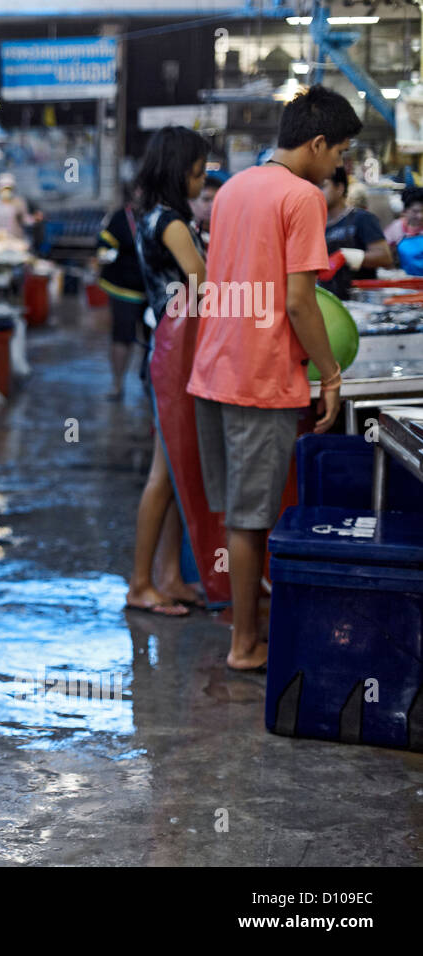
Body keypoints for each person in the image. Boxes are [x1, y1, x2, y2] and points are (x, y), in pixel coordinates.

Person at [188, 85, 356, 670]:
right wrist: (330, 374)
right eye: (338, 152)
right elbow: (300, 301)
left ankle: (246, 626)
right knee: (250, 518)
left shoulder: (234, 187)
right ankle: (243, 646)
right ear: (315, 143)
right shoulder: (302, 196)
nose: (339, 164)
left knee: (240, 512)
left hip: (214, 367)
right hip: (260, 378)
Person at [125, 126, 211, 619]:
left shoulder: (151, 216)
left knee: (177, 465)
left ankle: (170, 576)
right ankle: (141, 584)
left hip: (169, 345)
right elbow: (202, 284)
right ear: (181, 172)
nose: (201, 182)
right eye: (198, 173)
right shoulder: (172, 224)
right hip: (176, 351)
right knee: (163, 470)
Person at [96, 186, 147, 400]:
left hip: (151, 289)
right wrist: (105, 254)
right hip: (122, 288)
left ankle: (150, 386)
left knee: (152, 340)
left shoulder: (159, 217)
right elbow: (102, 244)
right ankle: (117, 385)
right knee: (122, 337)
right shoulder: (119, 217)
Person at [319, 166, 392, 299]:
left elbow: (385, 257)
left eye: (322, 186)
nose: (317, 192)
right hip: (330, 301)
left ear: (340, 188)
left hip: (361, 302)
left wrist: (346, 256)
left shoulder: (362, 218)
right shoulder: (317, 225)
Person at [189, 169, 227, 246]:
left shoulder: (228, 236)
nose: (213, 205)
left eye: (217, 199)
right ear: (191, 203)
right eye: (206, 199)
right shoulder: (185, 234)